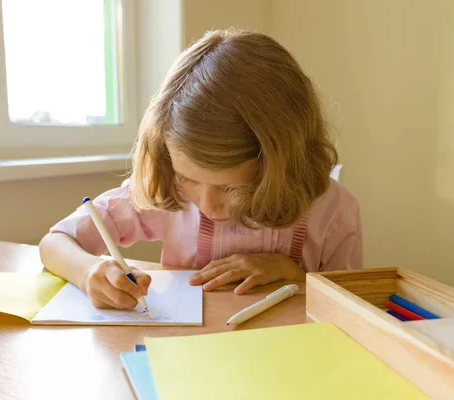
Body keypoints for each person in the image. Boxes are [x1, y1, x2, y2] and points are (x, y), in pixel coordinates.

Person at [39, 29, 362, 310]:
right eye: (188, 178)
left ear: (281, 164)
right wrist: (88, 272)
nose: (207, 205)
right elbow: (55, 243)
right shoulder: (169, 192)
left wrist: (293, 273)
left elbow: (353, 311)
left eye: (230, 187)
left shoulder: (334, 212)